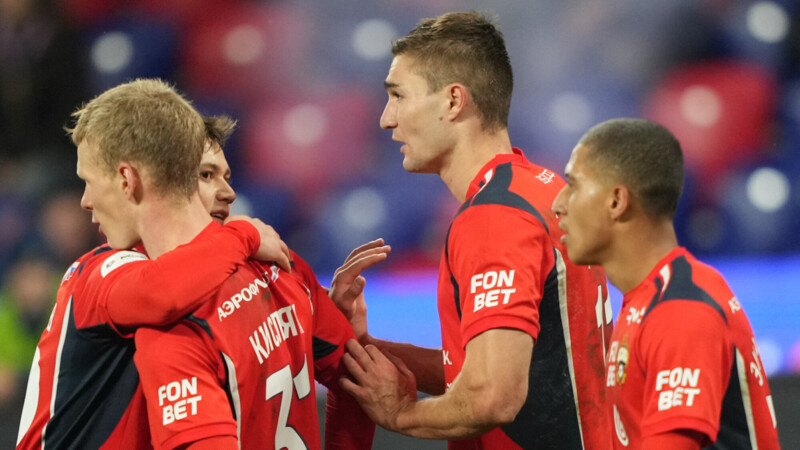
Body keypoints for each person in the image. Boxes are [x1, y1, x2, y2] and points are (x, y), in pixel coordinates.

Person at [49, 78, 379, 449]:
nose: (228, 192)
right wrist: (244, 234)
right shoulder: (280, 264)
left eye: (88, 181)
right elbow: (364, 382)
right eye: (206, 174)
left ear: (132, 179)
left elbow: (362, 382)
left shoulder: (171, 323)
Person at [338, 11, 612, 449]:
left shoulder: (494, 218)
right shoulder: (543, 189)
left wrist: (400, 414)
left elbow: (492, 397)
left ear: (453, 101)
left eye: (398, 96)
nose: (386, 119)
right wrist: (366, 349)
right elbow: (495, 367)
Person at [551, 118, 781, 449]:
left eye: (573, 185)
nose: (558, 204)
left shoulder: (681, 311)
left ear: (616, 201)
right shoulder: (651, 300)